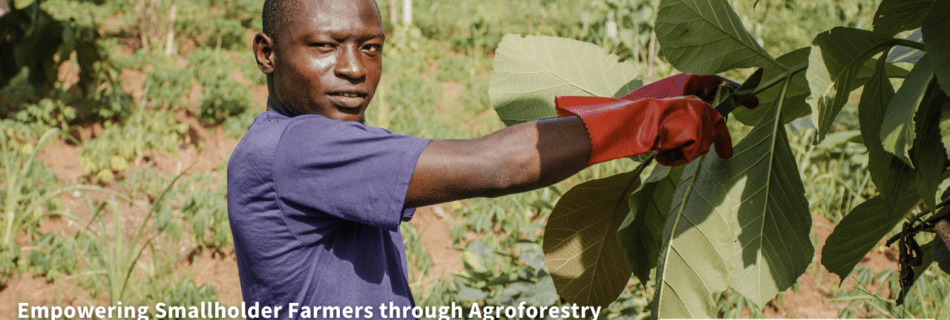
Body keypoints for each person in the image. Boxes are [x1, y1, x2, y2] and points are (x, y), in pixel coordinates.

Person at [226, 0, 757, 319]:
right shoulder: (297, 150)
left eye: (371, 47)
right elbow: (495, 164)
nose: (354, 69)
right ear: (267, 53)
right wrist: (642, 122)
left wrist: (645, 102)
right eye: (324, 46)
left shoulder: (319, 140)